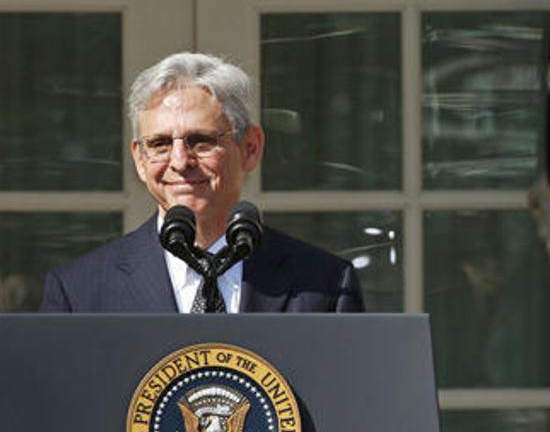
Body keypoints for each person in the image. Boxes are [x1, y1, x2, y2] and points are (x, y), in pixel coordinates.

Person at [40, 52, 364, 313]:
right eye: (160, 144)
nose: (180, 162)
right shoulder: (79, 294)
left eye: (200, 141)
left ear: (250, 148)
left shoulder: (326, 284)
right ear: (139, 159)